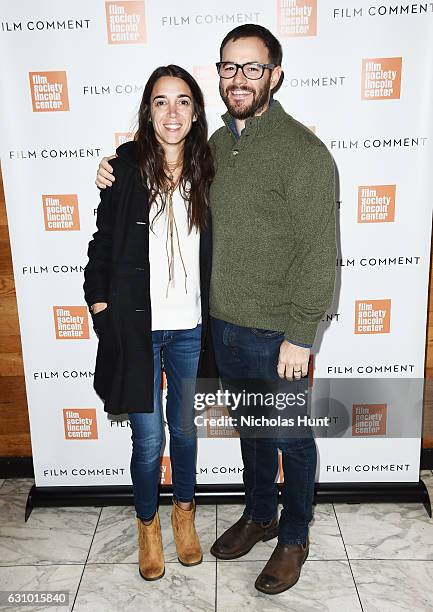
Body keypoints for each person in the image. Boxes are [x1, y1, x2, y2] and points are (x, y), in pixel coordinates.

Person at [95, 24, 337, 595]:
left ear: (275, 75)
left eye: (253, 68)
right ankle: (259, 513)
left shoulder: (304, 153)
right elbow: (153, 160)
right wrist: (113, 165)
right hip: (219, 327)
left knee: (292, 439)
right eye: (229, 68)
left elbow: (319, 255)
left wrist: (300, 336)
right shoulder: (216, 148)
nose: (239, 79)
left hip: (279, 333)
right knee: (253, 432)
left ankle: (294, 536)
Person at [84, 65, 215, 582]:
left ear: (196, 111)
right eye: (161, 102)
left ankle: (184, 516)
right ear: (148, 110)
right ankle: (147, 526)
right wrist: (99, 306)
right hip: (137, 329)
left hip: (190, 327)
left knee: (183, 431)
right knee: (147, 439)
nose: (172, 112)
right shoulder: (124, 168)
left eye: (183, 101)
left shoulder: (211, 167)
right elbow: (101, 245)